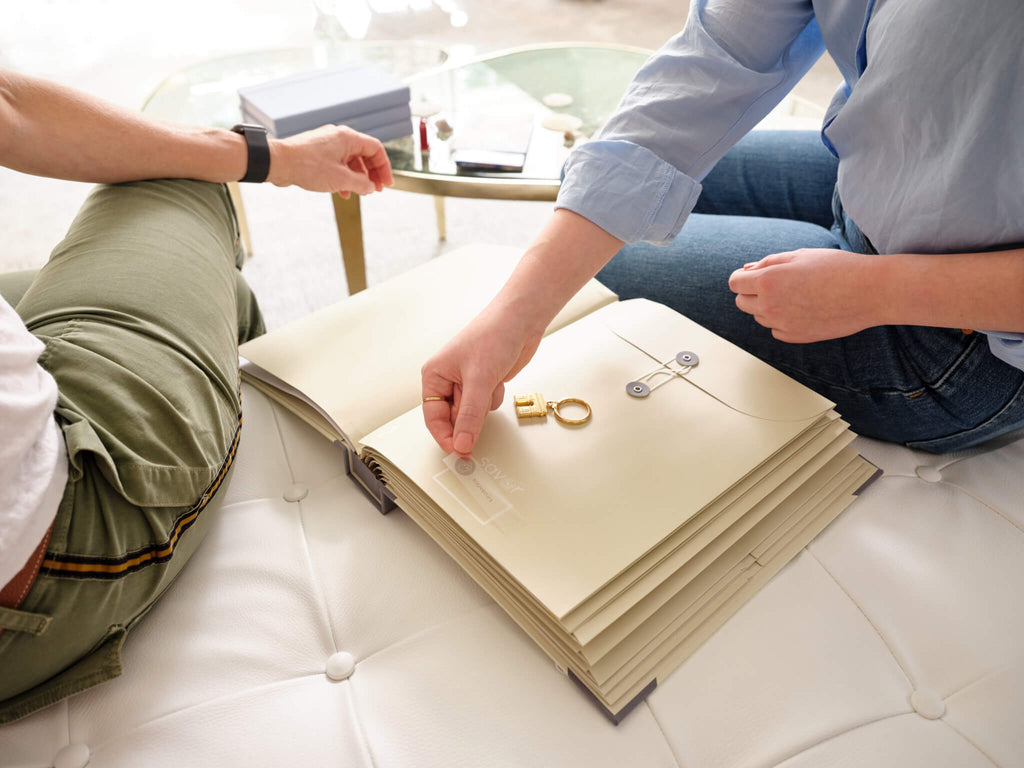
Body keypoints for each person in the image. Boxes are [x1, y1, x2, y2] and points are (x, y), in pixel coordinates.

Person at [421, 0, 1024, 458]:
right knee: (636, 194)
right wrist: (514, 315)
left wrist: (876, 290)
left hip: (962, 331)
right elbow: (712, 65)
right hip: (881, 172)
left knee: (620, 259)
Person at [0, 66, 393, 722]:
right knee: (182, 181)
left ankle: (229, 351)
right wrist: (277, 157)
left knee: (207, 292)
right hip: (61, 529)